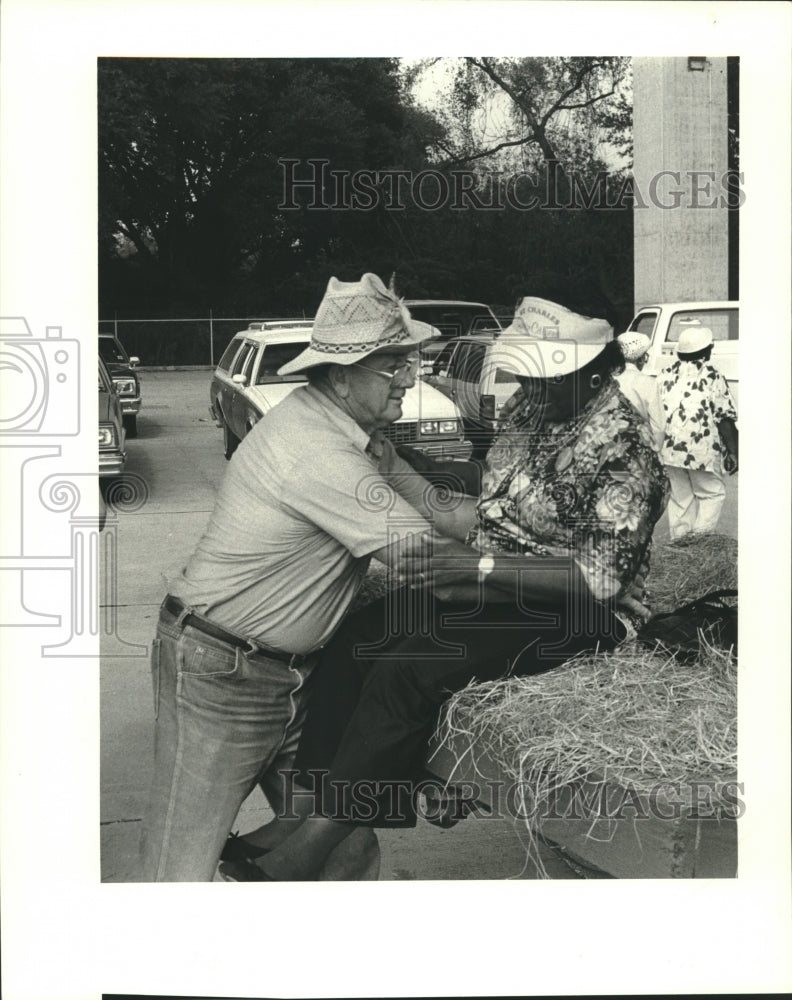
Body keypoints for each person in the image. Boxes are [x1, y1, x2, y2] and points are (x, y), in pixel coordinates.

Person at [218, 291, 670, 882]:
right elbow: (488, 512)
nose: (525, 391)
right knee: (359, 637)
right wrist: (400, 474)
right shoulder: (533, 416)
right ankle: (303, 810)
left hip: (577, 609)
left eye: (541, 380)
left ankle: (320, 838)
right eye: (522, 377)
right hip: (504, 586)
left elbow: (599, 579)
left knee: (414, 666)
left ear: (587, 376)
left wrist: (476, 569)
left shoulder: (623, 450)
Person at [139, 272, 477, 881]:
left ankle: (327, 972)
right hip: (223, 674)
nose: (410, 377)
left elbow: (446, 515)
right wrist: (564, 576)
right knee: (179, 867)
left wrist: (527, 518)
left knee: (344, 850)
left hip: (289, 676)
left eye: (412, 360)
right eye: (393, 365)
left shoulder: (354, 435)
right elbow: (436, 566)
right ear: (341, 376)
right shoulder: (319, 454)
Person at [658, 326, 738, 540]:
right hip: (701, 450)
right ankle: (699, 544)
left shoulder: (664, 375)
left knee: (680, 499)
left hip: (669, 450)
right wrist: (733, 451)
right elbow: (724, 418)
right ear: (706, 351)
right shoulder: (711, 375)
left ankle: (681, 545)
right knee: (712, 493)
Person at [615, 331, 665, 451]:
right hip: (638, 445)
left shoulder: (609, 377)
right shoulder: (649, 383)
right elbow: (658, 426)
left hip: (611, 443)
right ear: (641, 358)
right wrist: (656, 450)